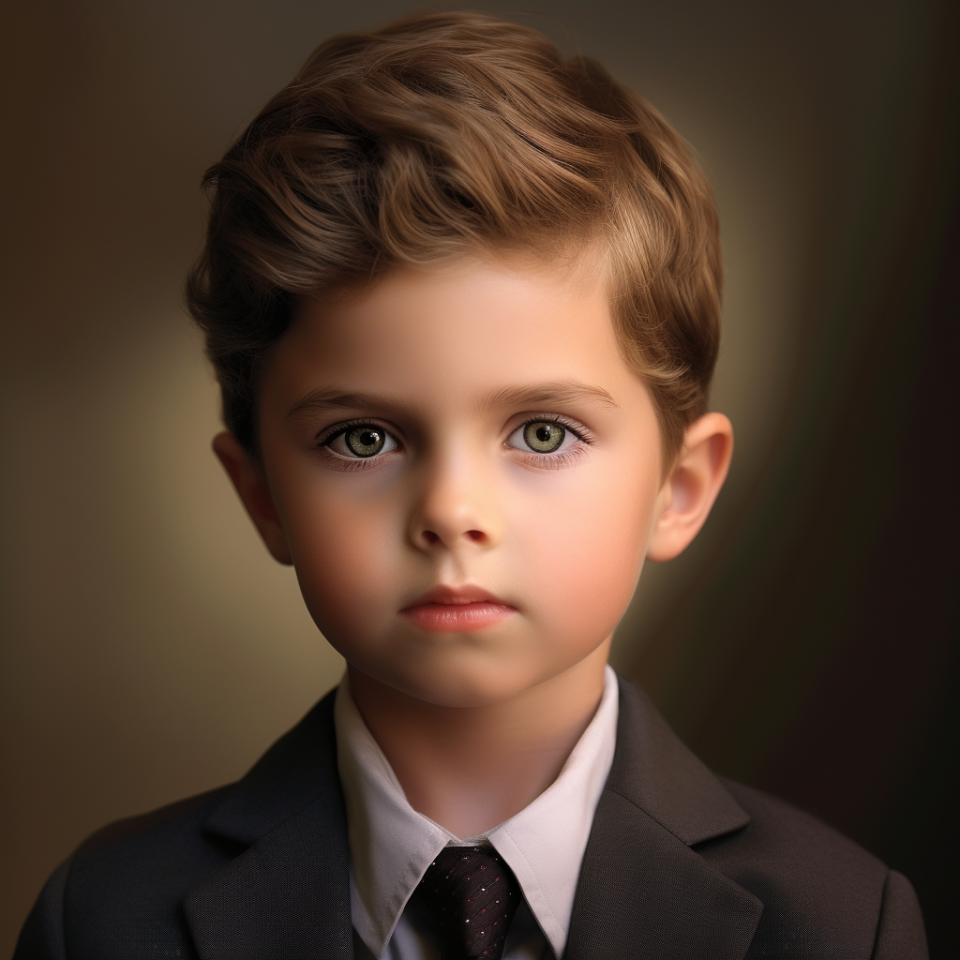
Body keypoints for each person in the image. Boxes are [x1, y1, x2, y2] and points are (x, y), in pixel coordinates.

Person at [14, 11, 927, 959]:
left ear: (680, 487)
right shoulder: (105, 924)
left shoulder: (838, 927)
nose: (452, 512)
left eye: (542, 432)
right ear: (261, 495)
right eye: (362, 437)